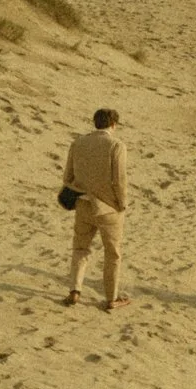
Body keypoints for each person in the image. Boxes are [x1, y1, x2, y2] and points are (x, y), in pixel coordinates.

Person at [63, 108, 129, 310]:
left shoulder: (78, 143)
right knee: (112, 254)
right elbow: (119, 180)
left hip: (83, 204)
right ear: (113, 124)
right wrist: (122, 203)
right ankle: (111, 298)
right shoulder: (116, 145)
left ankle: (75, 290)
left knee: (80, 248)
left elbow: (67, 177)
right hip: (108, 207)